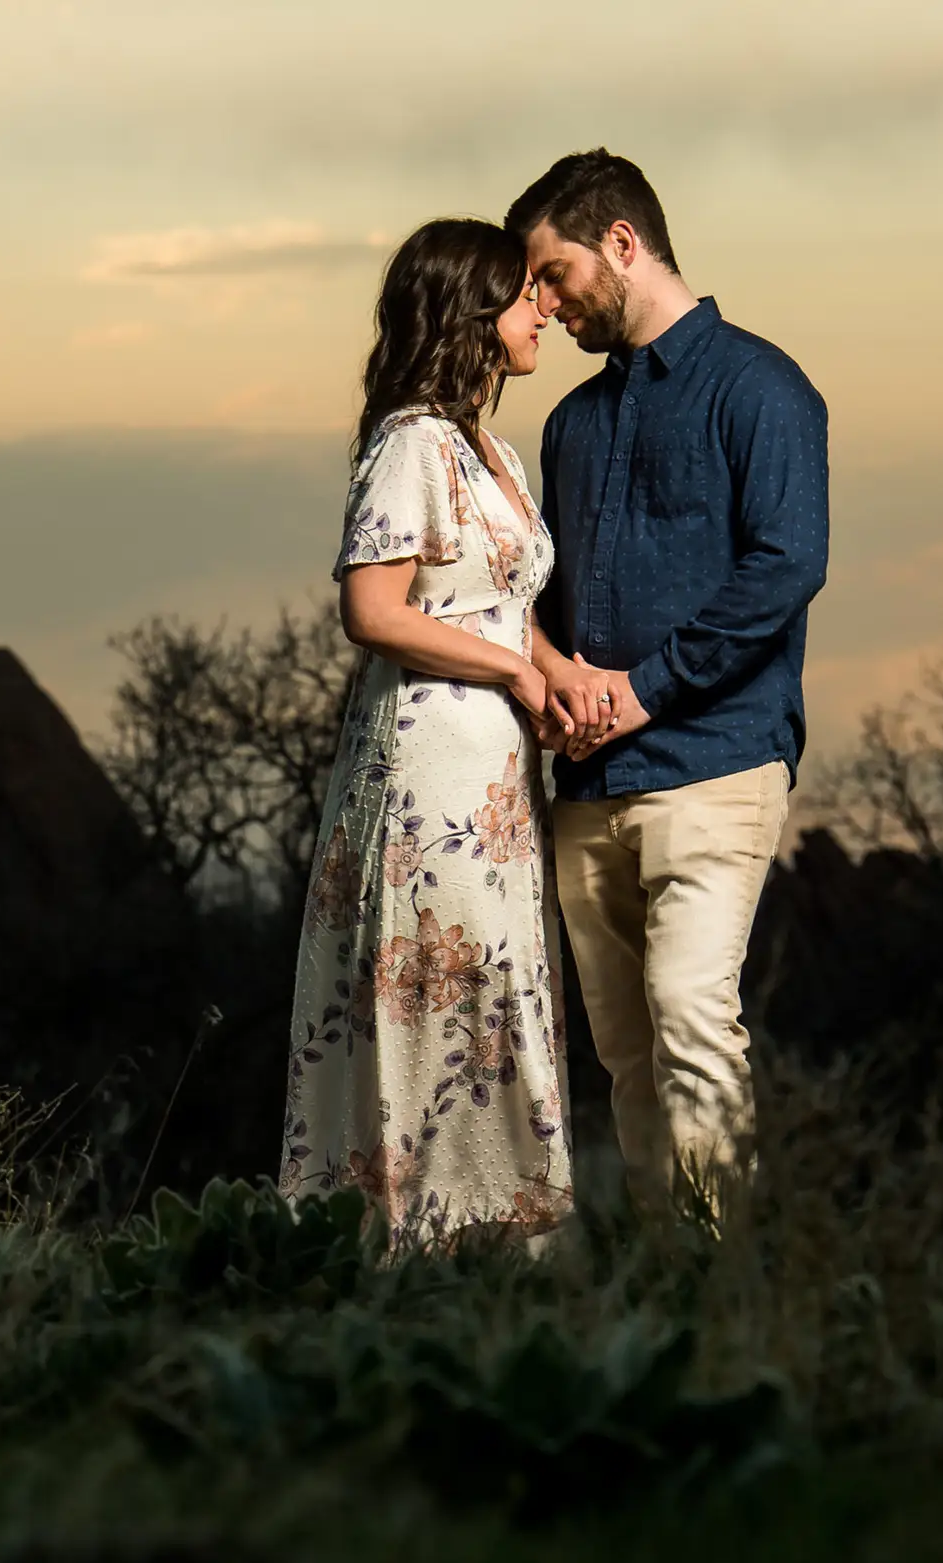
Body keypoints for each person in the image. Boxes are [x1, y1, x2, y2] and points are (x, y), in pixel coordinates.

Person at [505, 150, 830, 1216]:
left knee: (692, 1012)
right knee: (626, 1055)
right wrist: (555, 692)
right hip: (588, 786)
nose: (542, 305)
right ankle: (670, 1285)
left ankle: (725, 1284)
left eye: (552, 275)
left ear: (622, 243)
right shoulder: (570, 425)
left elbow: (786, 564)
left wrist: (642, 692)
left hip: (714, 759)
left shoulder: (762, 385)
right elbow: (552, 595)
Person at [277, 218, 581, 1251]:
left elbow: (500, 609)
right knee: (441, 998)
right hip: (426, 779)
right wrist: (508, 671)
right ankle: (418, 1247)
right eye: (522, 293)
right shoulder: (410, 440)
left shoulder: (489, 449)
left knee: (495, 996)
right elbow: (374, 611)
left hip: (491, 788)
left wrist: (560, 677)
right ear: (470, 313)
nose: (541, 306)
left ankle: (503, 1243)